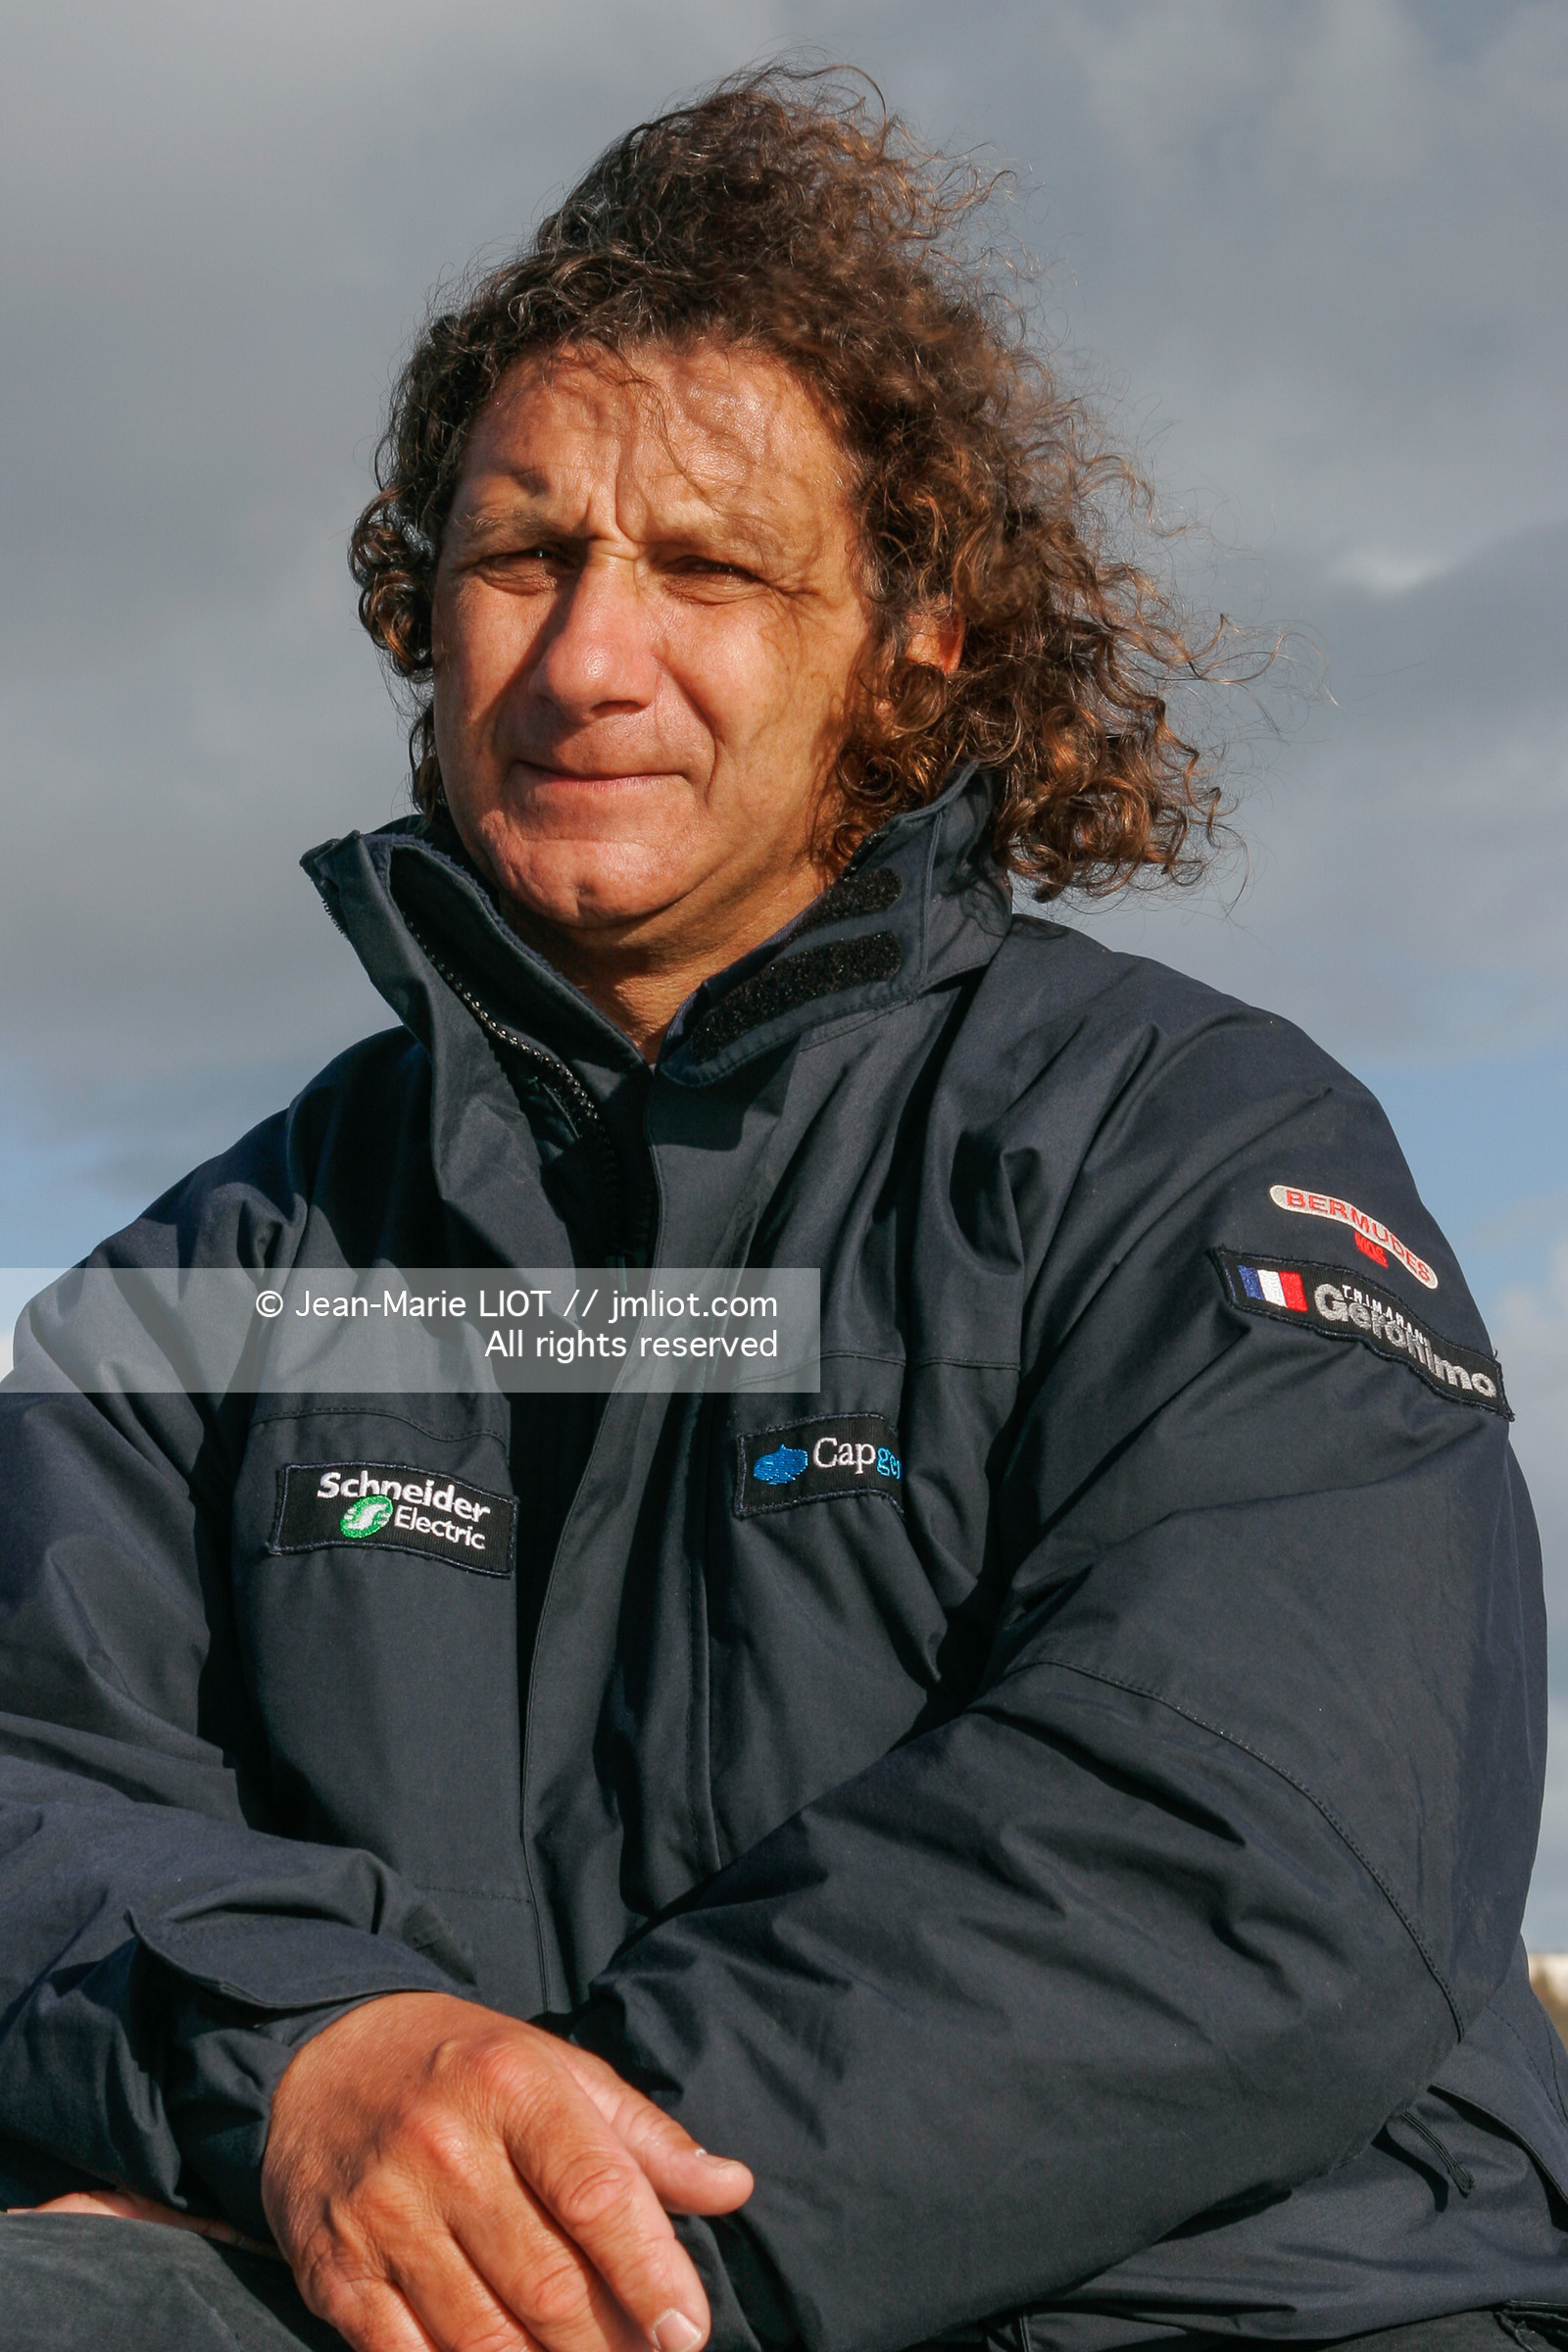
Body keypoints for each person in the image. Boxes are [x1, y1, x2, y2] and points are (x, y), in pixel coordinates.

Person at [1, 70, 1563, 2352]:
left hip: (1180, 2302)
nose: (584, 660)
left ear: (916, 635)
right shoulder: (222, 1278)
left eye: (709, 568)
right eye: (518, 557)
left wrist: (539, 2216)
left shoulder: (1190, 1146)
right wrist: (314, 2069)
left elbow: (1250, 1841)